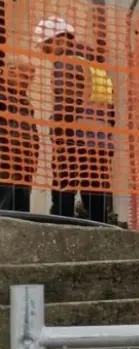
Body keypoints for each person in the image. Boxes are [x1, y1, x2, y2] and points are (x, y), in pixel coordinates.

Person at [36, 16, 117, 223]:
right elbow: (110, 108)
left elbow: (66, 101)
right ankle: (100, 229)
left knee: (65, 186)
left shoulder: (66, 62)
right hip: (101, 139)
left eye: (46, 46)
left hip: (75, 137)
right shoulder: (95, 65)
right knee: (96, 188)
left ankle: (63, 228)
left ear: (58, 39)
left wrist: (59, 131)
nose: (45, 53)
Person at [0, 64, 37, 212]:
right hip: (5, 170)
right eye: (23, 76)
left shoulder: (26, 104)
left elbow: (33, 137)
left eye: (30, 77)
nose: (27, 81)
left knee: (21, 219)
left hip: (24, 174)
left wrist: (33, 164)